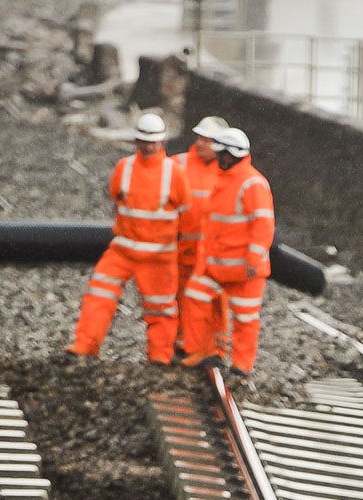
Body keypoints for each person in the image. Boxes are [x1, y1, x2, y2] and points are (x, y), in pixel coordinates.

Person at [68, 111, 188, 366]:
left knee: (161, 309)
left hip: (158, 256)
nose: (148, 146)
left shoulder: (174, 173)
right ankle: (85, 344)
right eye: (143, 141)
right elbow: (117, 200)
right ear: (136, 141)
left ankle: (159, 357)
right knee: (98, 295)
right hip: (122, 250)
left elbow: (186, 215)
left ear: (162, 143)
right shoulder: (125, 167)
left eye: (152, 142)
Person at [180, 127, 274, 378]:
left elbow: (263, 223)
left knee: (245, 317)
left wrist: (253, 259)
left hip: (244, 269)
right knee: (196, 299)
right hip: (217, 265)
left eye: (223, 154)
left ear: (233, 156)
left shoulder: (252, 183)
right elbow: (214, 226)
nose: (218, 158)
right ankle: (205, 351)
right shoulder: (225, 179)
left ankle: (242, 366)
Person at [175, 113, 228, 349]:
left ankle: (217, 343)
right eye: (199, 138)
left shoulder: (227, 171)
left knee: (216, 298)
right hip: (183, 247)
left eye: (207, 140)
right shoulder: (179, 164)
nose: (200, 143)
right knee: (181, 295)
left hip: (213, 250)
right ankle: (183, 340)